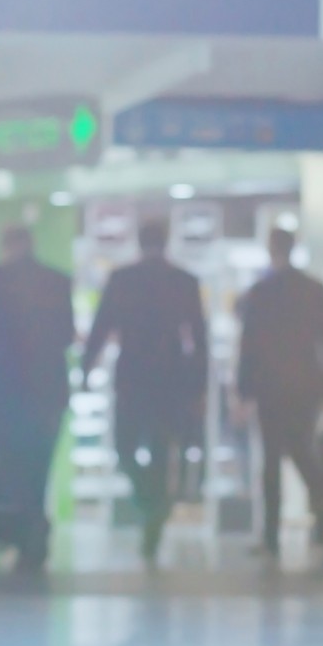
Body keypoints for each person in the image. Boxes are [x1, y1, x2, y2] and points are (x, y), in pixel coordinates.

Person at [83, 216, 210, 566]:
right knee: (160, 450)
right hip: (171, 379)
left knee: (124, 446)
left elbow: (101, 327)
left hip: (132, 377)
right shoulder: (183, 282)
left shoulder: (123, 279)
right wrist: (199, 387)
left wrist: (86, 369)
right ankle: (156, 506)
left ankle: (150, 506)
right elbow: (198, 340)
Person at [0, 224, 75, 572]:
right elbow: (67, 336)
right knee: (41, 464)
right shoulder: (57, 281)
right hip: (49, 388)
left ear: (5, 245)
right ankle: (36, 529)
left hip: (7, 389)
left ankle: (27, 531)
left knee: (13, 465)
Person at [234, 225, 323, 558]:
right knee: (303, 450)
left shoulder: (260, 293)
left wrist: (243, 390)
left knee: (271, 460)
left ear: (271, 249)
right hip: (306, 385)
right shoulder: (314, 290)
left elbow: (248, 344)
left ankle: (270, 535)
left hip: (270, 386)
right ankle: (322, 518)